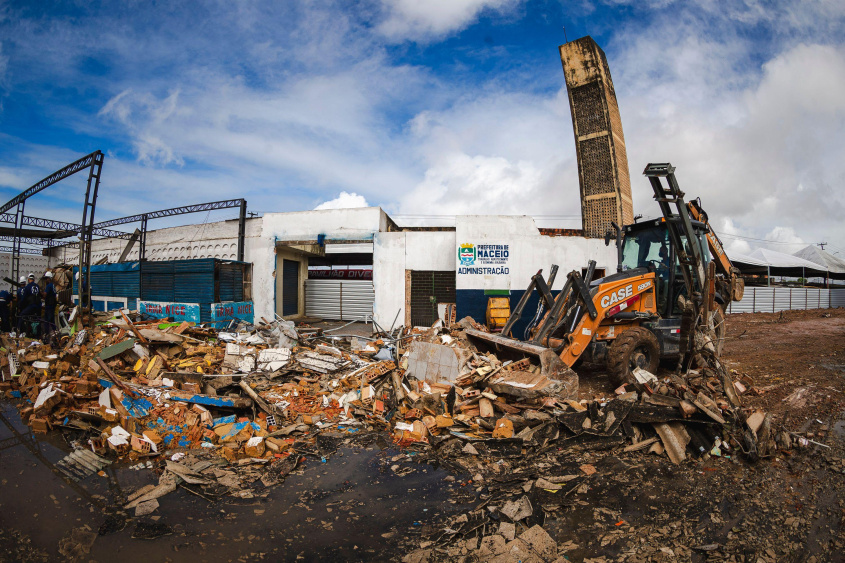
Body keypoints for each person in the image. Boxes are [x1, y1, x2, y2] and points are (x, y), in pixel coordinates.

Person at [42, 271, 57, 339]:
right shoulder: (53, 285)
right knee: (51, 319)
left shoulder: (49, 286)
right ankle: (54, 331)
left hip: (49, 305)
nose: (45, 280)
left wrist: (40, 294)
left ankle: (47, 333)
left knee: (47, 320)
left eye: (46, 278)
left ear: (49, 278)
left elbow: (45, 295)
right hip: (53, 304)